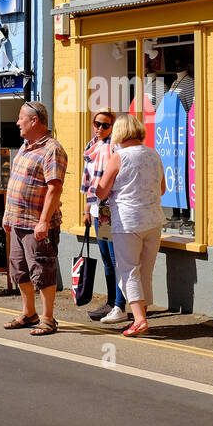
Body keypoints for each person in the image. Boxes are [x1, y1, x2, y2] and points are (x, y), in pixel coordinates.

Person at [96, 114, 166, 337]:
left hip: (127, 221)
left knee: (128, 270)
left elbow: (102, 190)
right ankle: (141, 315)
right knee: (146, 270)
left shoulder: (119, 157)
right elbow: (162, 189)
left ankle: (139, 320)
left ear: (119, 133)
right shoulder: (154, 155)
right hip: (154, 221)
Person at [1, 101, 67, 336]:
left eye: (21, 118)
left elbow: (54, 189)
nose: (17, 122)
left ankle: (48, 318)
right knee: (19, 270)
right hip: (18, 221)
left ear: (34, 120)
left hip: (36, 224)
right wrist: (8, 216)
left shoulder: (52, 149)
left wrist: (44, 221)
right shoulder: (26, 147)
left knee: (42, 269)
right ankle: (29, 313)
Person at [81, 110, 128, 323]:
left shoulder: (114, 147)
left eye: (105, 125)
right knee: (107, 259)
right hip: (96, 210)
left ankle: (120, 304)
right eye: (97, 124)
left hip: (110, 209)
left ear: (113, 127)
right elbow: (90, 182)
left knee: (116, 258)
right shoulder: (92, 147)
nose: (99, 128)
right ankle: (111, 302)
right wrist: (86, 210)